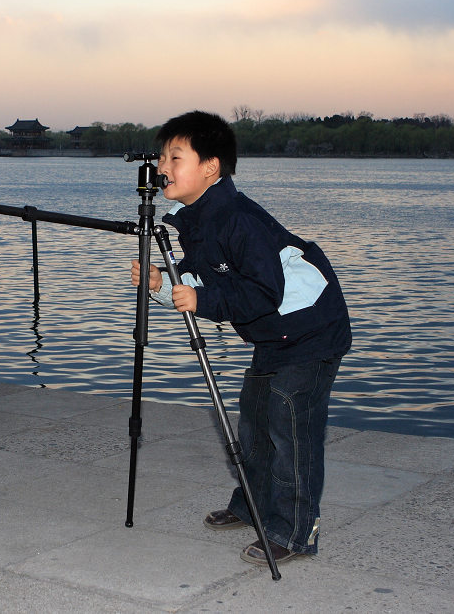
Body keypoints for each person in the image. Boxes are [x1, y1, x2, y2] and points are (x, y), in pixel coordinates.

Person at [131, 110, 351, 566]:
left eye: (175, 156)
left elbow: (262, 291)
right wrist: (162, 280)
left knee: (291, 431)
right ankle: (251, 506)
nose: (162, 166)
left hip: (311, 331)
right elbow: (207, 271)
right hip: (275, 335)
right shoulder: (196, 219)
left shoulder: (237, 218)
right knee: (254, 424)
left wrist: (202, 300)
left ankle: (293, 533)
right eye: (161, 156)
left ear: (210, 167)